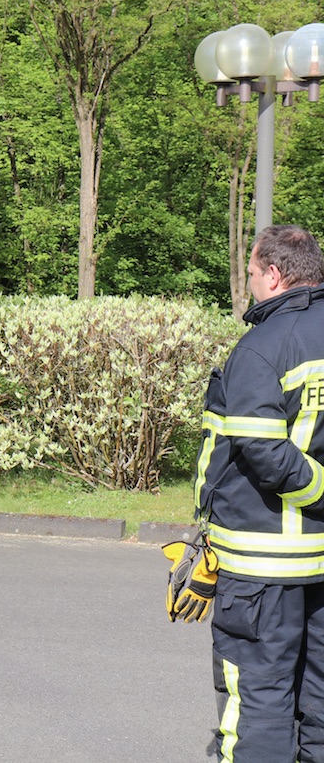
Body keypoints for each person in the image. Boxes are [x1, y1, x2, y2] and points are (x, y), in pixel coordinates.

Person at [180, 224, 324, 761]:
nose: (249, 287)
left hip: (263, 566)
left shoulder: (262, 346)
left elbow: (264, 455)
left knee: (258, 702)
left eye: (251, 273)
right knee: (320, 700)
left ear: (274, 273)